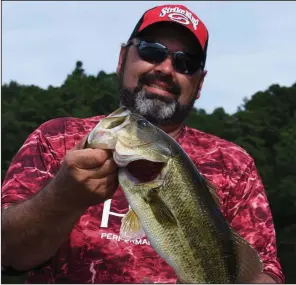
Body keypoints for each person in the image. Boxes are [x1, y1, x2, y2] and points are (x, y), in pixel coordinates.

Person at [1, 4, 284, 284]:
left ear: (199, 84)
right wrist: (63, 197)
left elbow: (264, 274)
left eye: (185, 63)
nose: (165, 68)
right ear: (123, 57)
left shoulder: (234, 163)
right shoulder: (56, 138)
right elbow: (7, 253)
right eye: (152, 50)